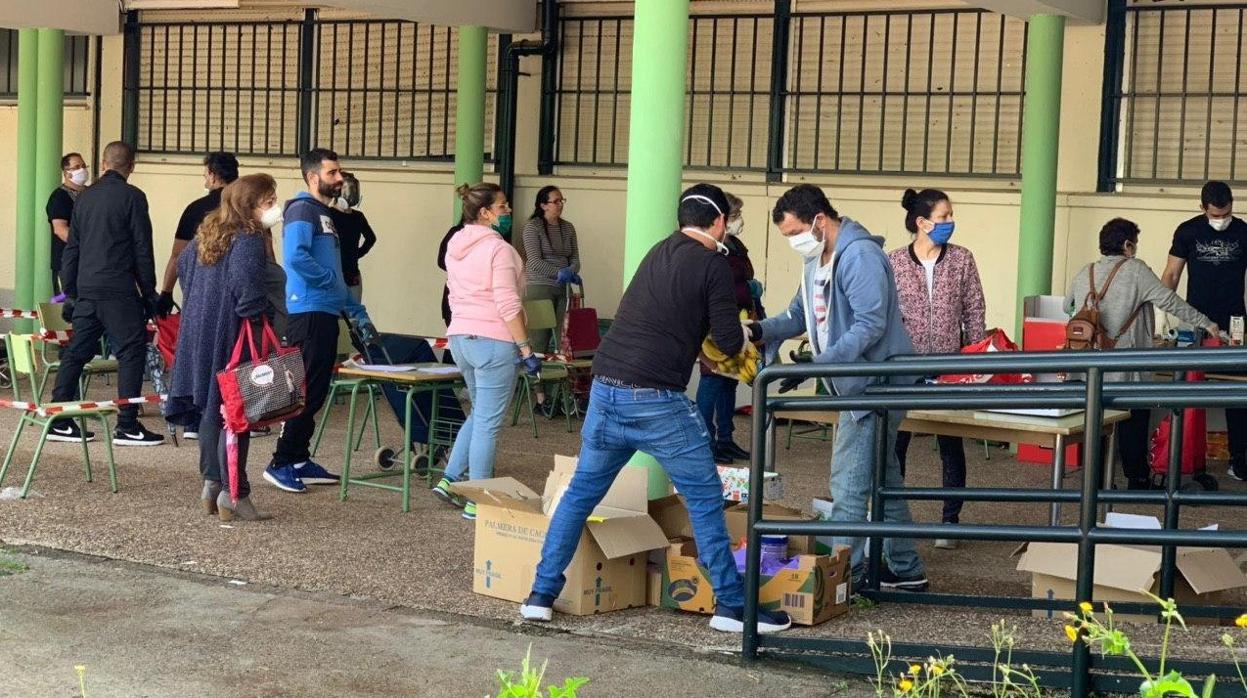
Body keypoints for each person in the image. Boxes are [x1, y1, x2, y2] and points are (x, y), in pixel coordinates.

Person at [521, 183, 792, 635]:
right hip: (656, 400)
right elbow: (727, 341)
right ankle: (731, 605)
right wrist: (746, 335)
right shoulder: (713, 264)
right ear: (720, 222)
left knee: (581, 494)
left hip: (605, 389)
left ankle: (540, 596)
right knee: (704, 498)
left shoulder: (658, 251)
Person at [750, 184, 925, 592]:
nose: (794, 242)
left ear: (819, 220)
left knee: (848, 483)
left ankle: (845, 578)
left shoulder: (860, 256)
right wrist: (758, 330)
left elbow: (870, 324)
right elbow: (798, 315)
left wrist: (820, 364)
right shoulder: (817, 259)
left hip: (872, 386)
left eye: (795, 233)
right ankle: (907, 569)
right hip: (856, 383)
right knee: (883, 479)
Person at [166, 174, 283, 521]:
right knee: (236, 412)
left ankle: (211, 485)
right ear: (250, 204)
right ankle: (235, 493)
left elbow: (185, 272)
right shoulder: (248, 238)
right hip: (232, 334)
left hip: (198, 333)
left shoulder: (206, 234)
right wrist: (261, 318)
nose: (274, 207)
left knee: (210, 409)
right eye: (269, 201)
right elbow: (247, 290)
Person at [1070, 218, 1217, 490]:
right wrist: (1206, 323)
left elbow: (1069, 306)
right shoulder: (1136, 270)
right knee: (1133, 421)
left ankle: (1095, 483)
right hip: (1127, 365)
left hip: (1088, 366)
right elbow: (1169, 301)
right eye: (1135, 243)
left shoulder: (1085, 272)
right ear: (1128, 245)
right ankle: (1136, 478)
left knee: (1096, 424)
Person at [263, 148, 373, 494]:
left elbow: (333, 268)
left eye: (339, 172)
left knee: (317, 390)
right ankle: (281, 462)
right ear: (313, 177)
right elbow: (296, 257)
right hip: (308, 312)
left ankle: (298, 458)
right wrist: (328, 282)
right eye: (332, 173)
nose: (340, 179)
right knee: (307, 391)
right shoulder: (302, 210)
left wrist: (354, 309)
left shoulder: (324, 213)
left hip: (325, 310)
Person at [431, 183, 540, 521]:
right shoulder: (499, 249)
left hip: (461, 338)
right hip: (495, 341)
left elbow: (452, 292)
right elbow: (507, 303)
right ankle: (479, 499)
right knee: (489, 424)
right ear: (485, 213)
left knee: (479, 413)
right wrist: (526, 348)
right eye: (502, 206)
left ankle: (451, 479)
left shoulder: (454, 245)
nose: (508, 211)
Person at [50, 141, 165, 447]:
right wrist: (149, 292)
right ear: (131, 166)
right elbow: (142, 248)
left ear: (103, 164)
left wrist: (70, 292)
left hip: (87, 288)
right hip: (118, 290)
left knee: (77, 352)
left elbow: (72, 248)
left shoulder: (84, 198)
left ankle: (57, 419)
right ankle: (126, 425)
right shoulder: (133, 197)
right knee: (131, 352)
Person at [889, 188, 986, 550]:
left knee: (951, 444)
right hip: (905, 366)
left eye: (950, 216)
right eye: (944, 216)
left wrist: (976, 357)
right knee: (896, 444)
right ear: (922, 222)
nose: (950, 222)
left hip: (949, 365)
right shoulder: (893, 262)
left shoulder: (962, 259)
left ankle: (950, 521)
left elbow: (974, 309)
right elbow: (885, 314)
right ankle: (893, 517)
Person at [1161, 181, 1247, 481]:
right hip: (1194, 322)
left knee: (1238, 392)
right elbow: (1171, 274)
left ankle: (1240, 459)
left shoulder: (1243, 232)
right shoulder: (1188, 231)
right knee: (1188, 389)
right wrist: (1162, 315)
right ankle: (1183, 457)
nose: (1221, 220)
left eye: (1226, 214)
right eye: (1215, 215)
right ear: (1202, 208)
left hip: (1235, 323)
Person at [695, 192, 757, 465]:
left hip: (739, 319)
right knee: (712, 380)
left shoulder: (737, 246)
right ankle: (706, 442)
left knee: (729, 382)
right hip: (715, 324)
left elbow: (747, 275)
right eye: (736, 215)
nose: (739, 220)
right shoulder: (711, 249)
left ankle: (725, 440)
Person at [156, 152, 240, 317]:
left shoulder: (195, 209)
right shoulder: (247, 209)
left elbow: (177, 254)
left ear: (212, 176)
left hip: (201, 292)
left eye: (205, 176)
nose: (205, 181)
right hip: (239, 293)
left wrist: (166, 292)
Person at [521, 185, 581, 354]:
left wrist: (571, 271)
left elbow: (575, 258)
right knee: (538, 341)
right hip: (539, 287)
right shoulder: (533, 227)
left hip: (564, 289)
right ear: (543, 205)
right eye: (556, 201)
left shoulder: (568, 227)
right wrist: (559, 272)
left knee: (565, 338)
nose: (560, 204)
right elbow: (534, 262)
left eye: (562, 201)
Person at [46, 152, 89, 297]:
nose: (82, 170)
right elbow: (60, 229)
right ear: (66, 173)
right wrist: (88, 245)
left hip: (90, 265)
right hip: (66, 265)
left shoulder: (91, 194)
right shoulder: (59, 197)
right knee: (67, 305)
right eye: (77, 167)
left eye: (84, 166)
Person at [331, 171, 377, 303]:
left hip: (352, 275)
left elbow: (371, 238)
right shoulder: (329, 214)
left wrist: (356, 254)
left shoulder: (358, 217)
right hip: (336, 275)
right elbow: (371, 238)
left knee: (354, 312)